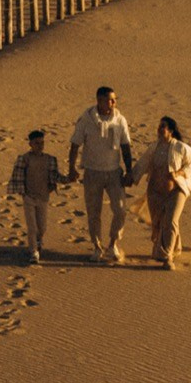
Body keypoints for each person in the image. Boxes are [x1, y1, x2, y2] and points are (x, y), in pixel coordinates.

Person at [67, 85, 136, 262]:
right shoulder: (86, 120)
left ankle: (113, 243)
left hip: (114, 172)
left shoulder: (120, 120)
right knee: (93, 212)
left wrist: (129, 170)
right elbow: (75, 144)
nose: (113, 103)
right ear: (99, 100)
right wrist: (72, 168)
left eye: (114, 99)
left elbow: (125, 146)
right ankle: (97, 246)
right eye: (109, 100)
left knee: (120, 210)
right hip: (92, 172)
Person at [132, 116, 191, 269]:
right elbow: (143, 163)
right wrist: (132, 177)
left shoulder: (181, 147)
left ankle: (168, 257)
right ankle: (176, 247)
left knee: (171, 220)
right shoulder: (154, 147)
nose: (160, 129)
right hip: (155, 192)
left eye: (163, 126)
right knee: (159, 221)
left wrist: (178, 173)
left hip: (175, 191)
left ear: (171, 130)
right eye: (159, 126)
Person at [3, 129, 64, 262]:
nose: (40, 145)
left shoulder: (50, 159)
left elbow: (55, 176)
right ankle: (33, 252)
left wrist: (68, 179)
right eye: (36, 143)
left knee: (42, 227)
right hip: (29, 197)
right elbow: (18, 177)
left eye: (42, 143)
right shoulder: (24, 159)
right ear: (30, 144)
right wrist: (23, 193)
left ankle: (39, 240)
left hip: (43, 198)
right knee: (32, 227)